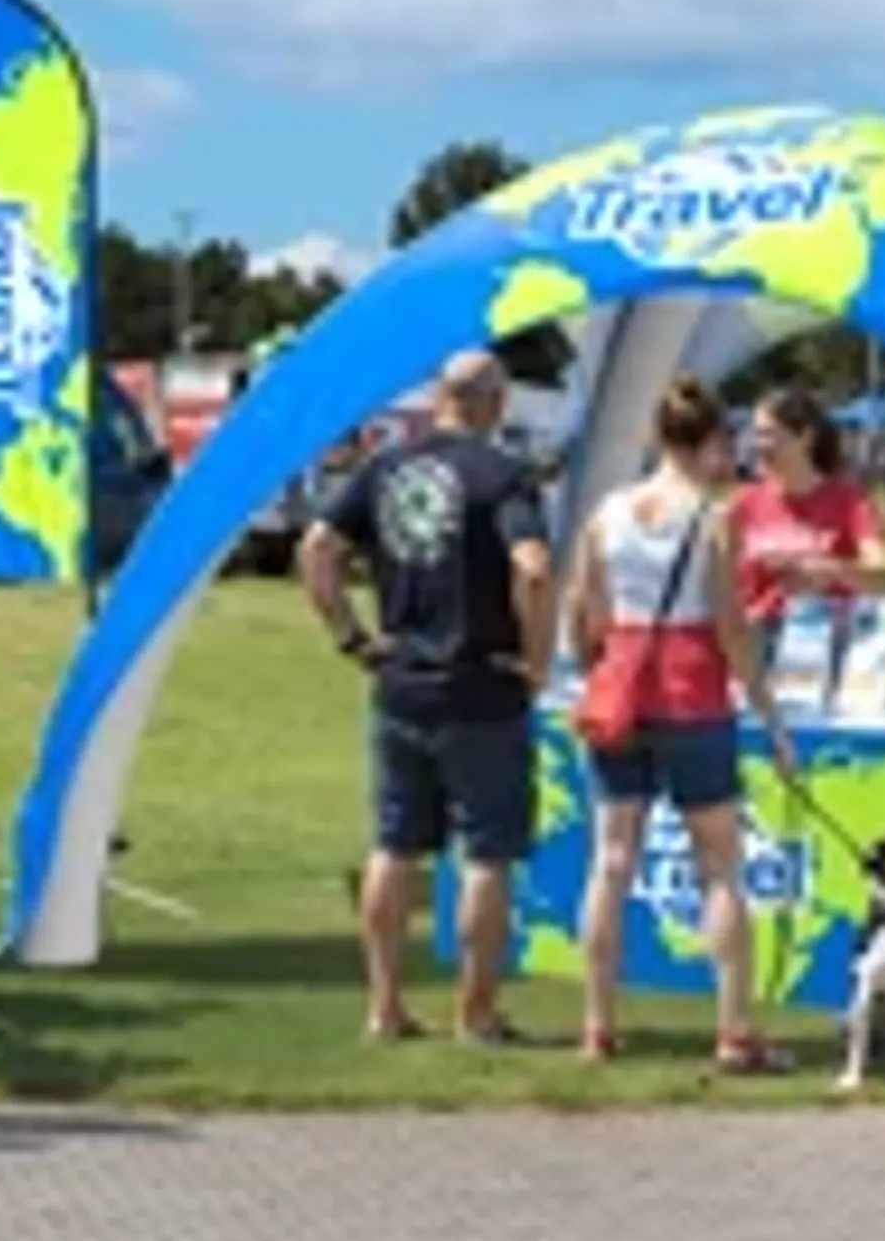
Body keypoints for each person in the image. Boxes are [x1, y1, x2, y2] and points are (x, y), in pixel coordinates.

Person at [300, 349, 556, 1047]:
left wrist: (352, 637)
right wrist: (538, 659)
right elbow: (532, 569)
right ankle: (475, 1013)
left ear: (440, 398)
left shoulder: (384, 469)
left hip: (400, 682)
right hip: (481, 684)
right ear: (496, 403)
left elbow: (317, 546)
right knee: (485, 853)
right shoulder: (503, 476)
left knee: (393, 844)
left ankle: (384, 1006)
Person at [565, 379, 797, 1072]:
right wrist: (768, 710)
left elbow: (587, 609)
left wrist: (600, 668)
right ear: (700, 444)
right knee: (719, 866)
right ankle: (733, 1029)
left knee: (610, 861)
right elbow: (731, 623)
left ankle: (597, 1025)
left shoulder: (607, 512)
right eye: (723, 442)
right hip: (692, 688)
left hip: (623, 686)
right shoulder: (715, 517)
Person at [729, 387, 885, 665]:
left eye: (768, 433)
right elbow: (720, 588)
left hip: (823, 661)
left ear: (805, 437)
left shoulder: (850, 502)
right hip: (752, 659)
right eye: (755, 433)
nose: (756, 444)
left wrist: (832, 570)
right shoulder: (744, 503)